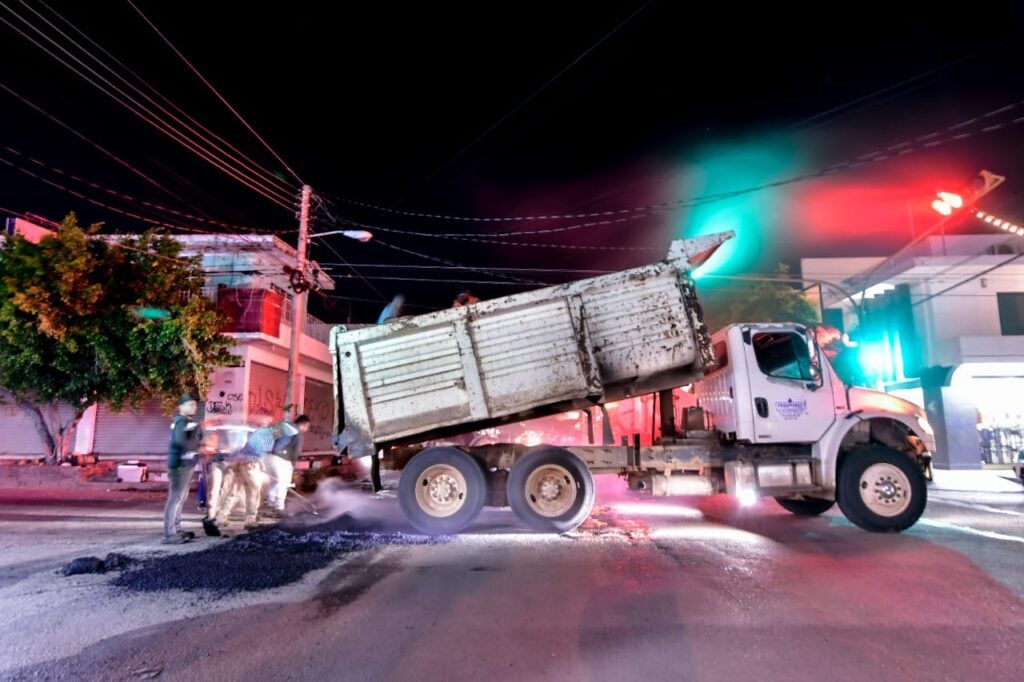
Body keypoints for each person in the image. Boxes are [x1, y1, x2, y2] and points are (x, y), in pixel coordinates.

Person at [216, 412, 275, 530]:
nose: (267, 422)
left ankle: (221, 516)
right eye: (266, 420)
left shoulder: (250, 430)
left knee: (234, 490)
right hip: (249, 465)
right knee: (253, 491)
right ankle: (250, 519)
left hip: (240, 464)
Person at [163, 394, 204, 544]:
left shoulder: (188, 422)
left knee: (181, 498)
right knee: (176, 497)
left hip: (186, 464)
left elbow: (195, 440)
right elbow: (182, 442)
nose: (194, 407)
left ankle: (177, 529)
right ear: (181, 407)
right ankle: (170, 533)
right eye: (190, 405)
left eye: (195, 405)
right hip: (180, 465)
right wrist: (197, 449)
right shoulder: (181, 422)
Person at [264, 414, 312, 516]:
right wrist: (293, 467)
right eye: (307, 427)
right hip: (283, 461)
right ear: (304, 424)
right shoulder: (298, 434)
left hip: (269, 458)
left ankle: (270, 505)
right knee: (283, 483)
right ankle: (279, 508)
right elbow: (295, 452)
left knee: (274, 482)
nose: (306, 429)